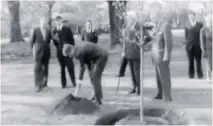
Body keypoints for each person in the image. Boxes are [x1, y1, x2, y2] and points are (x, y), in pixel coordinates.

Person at [141, 2, 173, 102]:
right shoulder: (156, 26)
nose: (152, 17)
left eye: (154, 15)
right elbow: (153, 38)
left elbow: (169, 42)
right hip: (156, 55)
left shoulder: (165, 25)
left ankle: (167, 95)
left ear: (159, 15)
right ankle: (160, 93)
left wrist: (167, 55)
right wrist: (144, 44)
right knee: (158, 76)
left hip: (162, 54)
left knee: (164, 76)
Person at [51, 13, 76, 88]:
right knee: (62, 68)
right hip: (59, 52)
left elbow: (72, 40)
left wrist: (70, 49)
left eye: (59, 19)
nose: (58, 21)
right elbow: (54, 42)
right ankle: (63, 84)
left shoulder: (66, 28)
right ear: (55, 21)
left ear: (61, 20)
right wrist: (59, 47)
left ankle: (74, 82)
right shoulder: (54, 30)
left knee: (70, 67)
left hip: (68, 51)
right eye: (56, 20)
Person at [30, 17, 51, 92]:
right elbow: (32, 42)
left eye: (45, 22)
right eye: (42, 22)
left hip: (46, 53)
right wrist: (32, 51)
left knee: (46, 68)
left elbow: (49, 41)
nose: (43, 24)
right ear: (40, 23)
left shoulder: (48, 31)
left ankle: (44, 83)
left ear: (46, 24)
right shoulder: (36, 30)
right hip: (38, 53)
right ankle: (37, 85)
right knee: (37, 69)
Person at [184, 11, 204, 79]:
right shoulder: (187, 25)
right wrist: (187, 44)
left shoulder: (200, 25)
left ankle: (200, 74)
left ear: (195, 16)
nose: (191, 17)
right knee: (190, 61)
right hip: (189, 46)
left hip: (198, 45)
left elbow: (202, 35)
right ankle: (191, 74)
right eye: (190, 16)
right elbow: (186, 36)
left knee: (198, 61)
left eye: (192, 15)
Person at [200, 14, 212, 82]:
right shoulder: (203, 29)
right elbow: (202, 40)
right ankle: (208, 76)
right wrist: (203, 49)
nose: (210, 22)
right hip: (208, 49)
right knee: (208, 63)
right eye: (209, 20)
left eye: (211, 20)